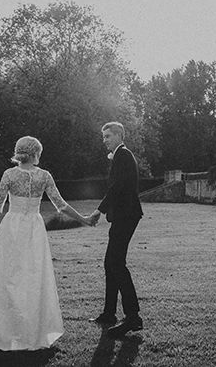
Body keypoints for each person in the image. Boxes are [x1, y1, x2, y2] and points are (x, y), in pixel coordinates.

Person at [0, 136, 92, 351]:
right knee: (33, 278)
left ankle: (8, 329)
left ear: (19, 152)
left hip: (12, 227)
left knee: (7, 276)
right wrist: (84, 219)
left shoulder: (9, 174)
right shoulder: (44, 176)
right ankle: (29, 330)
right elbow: (61, 206)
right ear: (36, 153)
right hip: (34, 229)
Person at [86, 121, 144, 337]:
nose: (105, 140)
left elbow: (117, 187)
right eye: (103, 137)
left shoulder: (124, 155)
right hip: (122, 216)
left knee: (117, 264)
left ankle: (133, 317)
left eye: (108, 136)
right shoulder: (120, 156)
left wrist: (98, 211)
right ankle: (109, 313)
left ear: (119, 135)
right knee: (110, 263)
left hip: (127, 216)